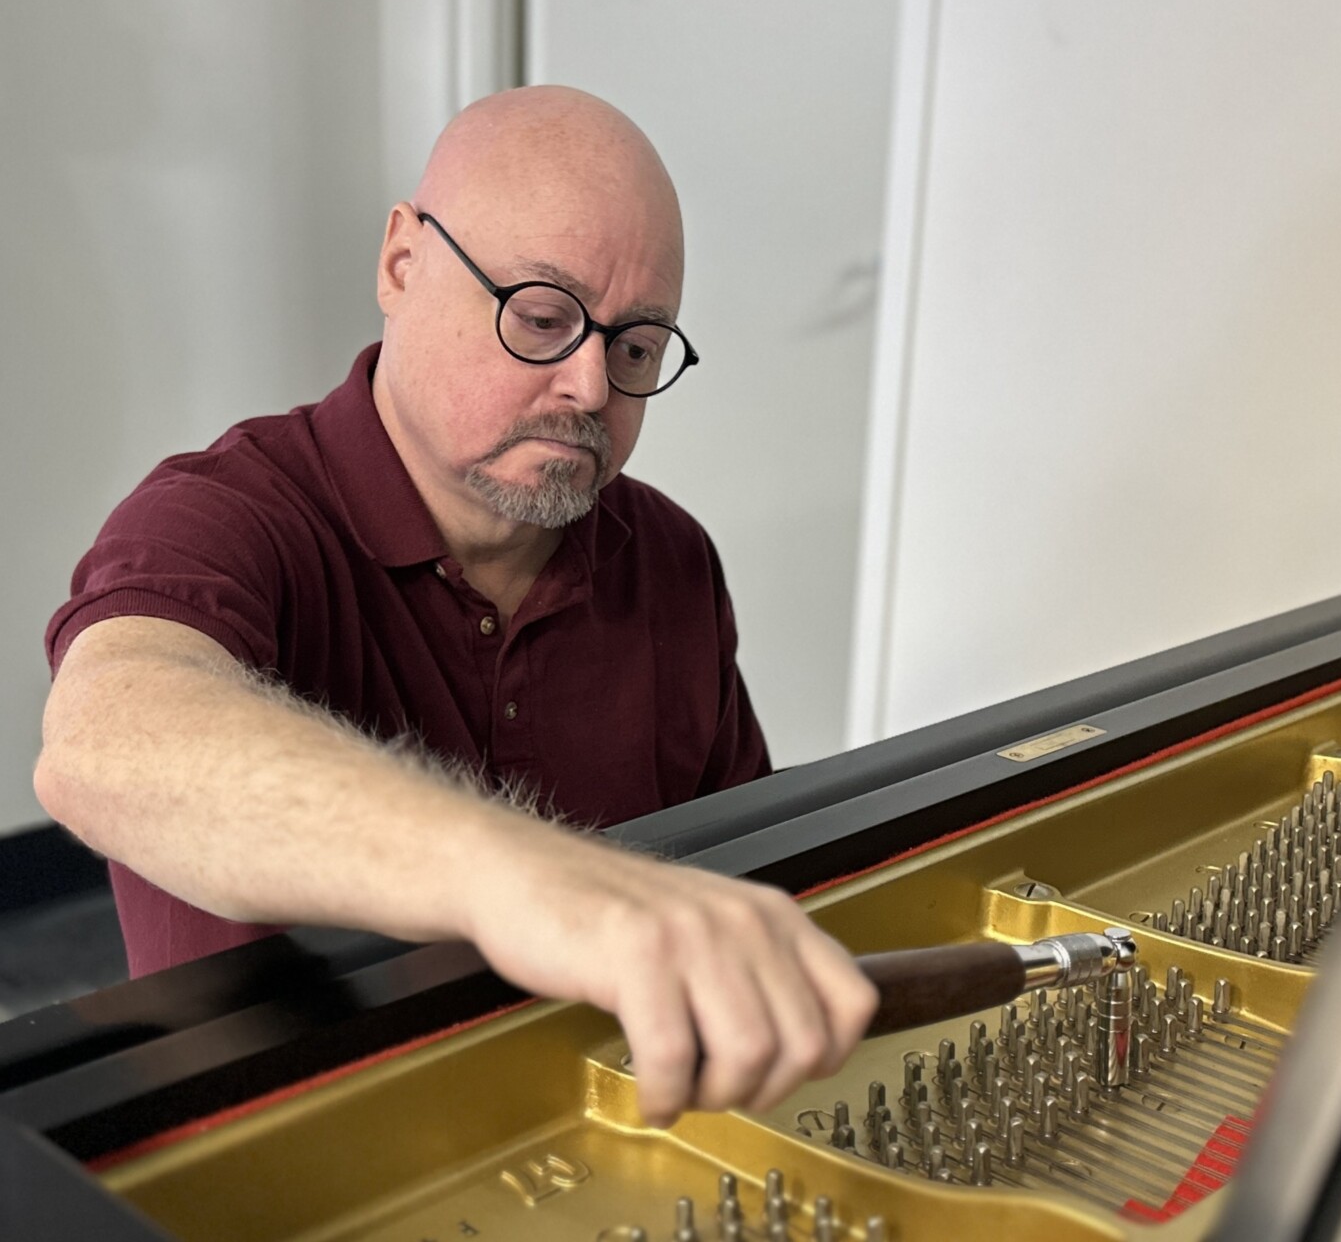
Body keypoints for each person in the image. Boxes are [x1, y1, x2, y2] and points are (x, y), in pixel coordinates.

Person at [33, 85, 877, 1128]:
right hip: (287, 1154)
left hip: (612, 1131)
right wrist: (523, 875)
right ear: (401, 263)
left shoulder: (670, 558)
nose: (587, 386)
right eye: (541, 316)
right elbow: (107, 741)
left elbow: (752, 861)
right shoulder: (223, 514)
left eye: (636, 347)